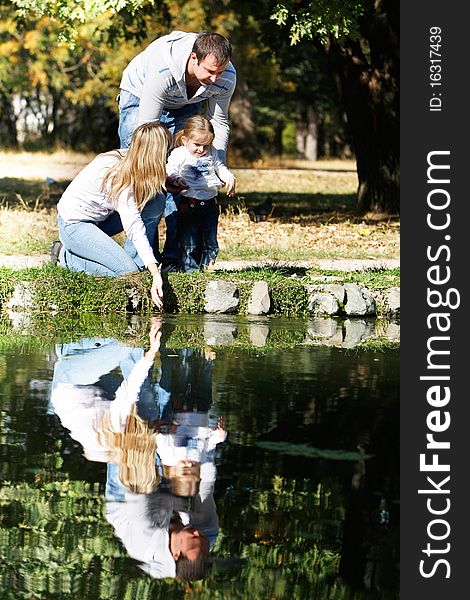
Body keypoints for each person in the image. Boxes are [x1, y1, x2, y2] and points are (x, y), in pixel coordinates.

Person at [118, 30, 237, 270]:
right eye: (210, 71)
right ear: (194, 58)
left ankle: (175, 258)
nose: (215, 78)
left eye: (220, 71)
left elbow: (219, 122)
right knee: (144, 175)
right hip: (140, 96)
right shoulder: (163, 68)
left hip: (185, 103)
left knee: (185, 176)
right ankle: (140, 260)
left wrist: (219, 167)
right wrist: (157, 172)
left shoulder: (226, 76)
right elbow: (147, 131)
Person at [53, 122, 172, 308]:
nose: (167, 158)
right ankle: (65, 257)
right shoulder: (118, 175)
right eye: (166, 152)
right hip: (74, 225)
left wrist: (167, 181)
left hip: (101, 221)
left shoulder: (131, 157)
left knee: (155, 199)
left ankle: (136, 262)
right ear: (155, 155)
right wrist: (155, 272)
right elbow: (134, 226)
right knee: (127, 273)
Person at [166, 115, 236, 272]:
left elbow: (220, 167)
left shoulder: (211, 152)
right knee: (189, 242)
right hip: (189, 203)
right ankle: (190, 272)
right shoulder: (179, 154)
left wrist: (229, 178)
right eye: (197, 144)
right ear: (185, 140)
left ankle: (206, 269)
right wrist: (177, 179)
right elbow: (170, 169)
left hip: (210, 204)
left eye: (206, 145)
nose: (202, 150)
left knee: (210, 241)